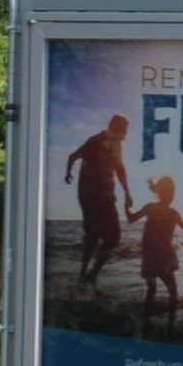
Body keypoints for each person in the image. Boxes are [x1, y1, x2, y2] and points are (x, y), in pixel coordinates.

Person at [61, 114, 135, 288]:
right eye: (124, 131)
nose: (126, 135)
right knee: (92, 236)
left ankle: (92, 275)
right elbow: (73, 156)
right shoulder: (94, 141)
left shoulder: (117, 146)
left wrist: (127, 193)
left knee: (114, 238)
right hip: (89, 197)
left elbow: (120, 169)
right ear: (117, 129)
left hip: (107, 196)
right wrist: (68, 173)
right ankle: (83, 274)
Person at [133, 175, 183, 329]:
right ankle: (169, 324)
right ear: (164, 193)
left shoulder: (152, 208)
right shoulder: (169, 212)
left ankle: (147, 322)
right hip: (162, 257)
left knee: (152, 288)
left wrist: (126, 204)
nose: (173, 195)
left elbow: (130, 218)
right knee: (171, 291)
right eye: (171, 191)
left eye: (173, 192)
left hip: (151, 257)